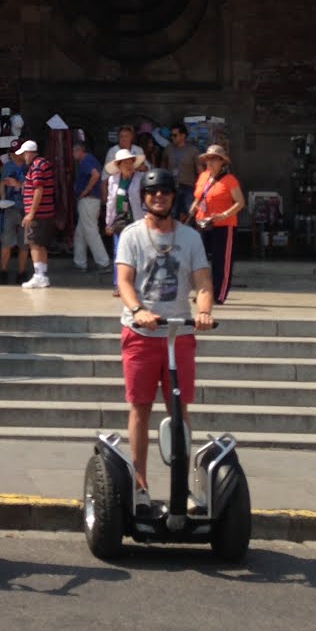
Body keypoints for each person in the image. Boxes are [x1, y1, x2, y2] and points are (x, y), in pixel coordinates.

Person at [116, 167, 214, 497]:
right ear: (144, 198)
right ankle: (140, 481)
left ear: (173, 196)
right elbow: (124, 281)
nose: (159, 197)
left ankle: (181, 486)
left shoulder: (189, 238)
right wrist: (138, 310)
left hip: (178, 335)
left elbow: (202, 281)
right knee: (140, 407)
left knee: (179, 410)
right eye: (152, 193)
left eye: (165, 192)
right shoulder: (131, 235)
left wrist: (203, 311)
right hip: (141, 335)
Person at [191, 144, 245, 305]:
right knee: (200, 260)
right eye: (208, 159)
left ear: (222, 162)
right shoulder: (203, 177)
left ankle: (219, 294)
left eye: (214, 159)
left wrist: (224, 214)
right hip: (202, 223)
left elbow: (240, 202)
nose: (210, 162)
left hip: (224, 225)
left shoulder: (230, 180)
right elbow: (199, 196)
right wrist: (194, 206)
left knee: (221, 261)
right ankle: (204, 293)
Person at [16, 139, 56, 290]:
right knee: (41, 244)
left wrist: (31, 213)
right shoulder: (42, 164)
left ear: (29, 153)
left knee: (34, 243)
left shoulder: (37, 166)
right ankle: (42, 275)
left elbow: (38, 189)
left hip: (38, 213)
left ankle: (38, 276)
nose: (23, 158)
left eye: (24, 154)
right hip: (45, 212)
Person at [72, 137, 110, 273]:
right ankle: (80, 262)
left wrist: (85, 191)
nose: (72, 155)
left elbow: (95, 175)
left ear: (79, 150)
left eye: (73, 152)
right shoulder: (89, 159)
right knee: (81, 232)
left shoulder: (85, 160)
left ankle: (103, 262)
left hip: (89, 199)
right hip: (91, 199)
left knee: (90, 230)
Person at [0, 147, 28, 285]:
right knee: (6, 241)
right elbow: (2, 184)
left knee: (24, 243)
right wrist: (2, 196)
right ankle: (3, 271)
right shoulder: (7, 167)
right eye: (12, 152)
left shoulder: (29, 166)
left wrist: (19, 184)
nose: (13, 155)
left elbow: (34, 186)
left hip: (25, 209)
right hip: (9, 208)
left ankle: (21, 273)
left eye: (16, 152)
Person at [103, 124, 145, 222]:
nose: (124, 139)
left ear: (132, 137)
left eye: (126, 136)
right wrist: (108, 222)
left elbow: (146, 168)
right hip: (120, 219)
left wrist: (140, 168)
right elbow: (111, 201)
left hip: (137, 218)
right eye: (121, 136)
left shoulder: (138, 150)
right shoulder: (113, 180)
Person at [164, 122, 200, 221]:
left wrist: (200, 189)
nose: (172, 137)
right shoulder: (168, 149)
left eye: (175, 135)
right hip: (172, 187)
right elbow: (163, 167)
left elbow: (200, 171)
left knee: (190, 214)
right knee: (172, 214)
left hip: (188, 187)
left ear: (183, 136)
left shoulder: (193, 151)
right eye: (171, 135)